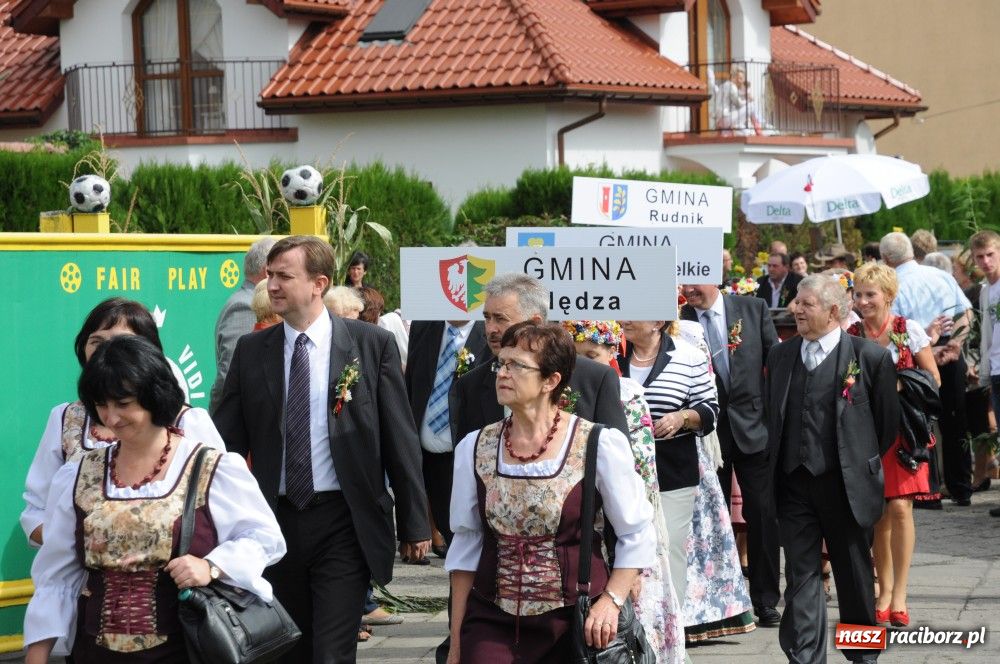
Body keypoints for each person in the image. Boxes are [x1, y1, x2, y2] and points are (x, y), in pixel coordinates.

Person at [213, 235, 430, 662]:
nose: (272, 285)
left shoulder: (370, 345)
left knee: (331, 653)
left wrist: (415, 522)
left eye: (284, 276)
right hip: (274, 521)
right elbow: (227, 443)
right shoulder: (252, 351)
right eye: (270, 276)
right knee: (288, 647)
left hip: (344, 520)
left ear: (319, 283)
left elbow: (398, 437)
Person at [24, 335, 285, 663]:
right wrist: (37, 655)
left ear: (155, 396)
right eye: (102, 405)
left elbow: (264, 538)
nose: (112, 417)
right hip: (94, 654)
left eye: (123, 403)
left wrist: (212, 566)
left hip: (185, 650)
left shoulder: (209, 466)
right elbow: (56, 577)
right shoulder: (78, 475)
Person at [445, 322, 656, 663]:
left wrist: (611, 601)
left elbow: (636, 531)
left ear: (551, 381)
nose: (503, 373)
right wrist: (456, 643)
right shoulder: (475, 447)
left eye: (518, 366)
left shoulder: (596, 444)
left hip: (574, 621)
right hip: (492, 617)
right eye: (502, 362)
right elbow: (466, 547)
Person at [765, 274, 899, 664]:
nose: (796, 309)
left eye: (806, 304)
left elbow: (885, 426)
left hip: (846, 487)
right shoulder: (781, 355)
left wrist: (856, 462)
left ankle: (862, 658)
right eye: (796, 302)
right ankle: (805, 657)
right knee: (801, 577)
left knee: (855, 577)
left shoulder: (869, 358)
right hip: (794, 485)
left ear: (834, 311)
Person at [21, 297, 225, 548]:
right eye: (96, 341)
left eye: (121, 341)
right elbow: (36, 511)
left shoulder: (188, 421)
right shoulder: (65, 419)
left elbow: (225, 514)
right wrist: (80, 547)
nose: (105, 351)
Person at [563, 320, 686, 663]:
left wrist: (629, 561)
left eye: (592, 355)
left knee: (634, 624)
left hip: (624, 521)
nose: (584, 363)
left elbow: (642, 473)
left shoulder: (627, 393)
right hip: (583, 522)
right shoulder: (567, 391)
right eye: (577, 356)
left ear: (611, 353)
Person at [680, 283, 782, 627]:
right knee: (713, 519)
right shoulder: (677, 317)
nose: (687, 288)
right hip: (706, 433)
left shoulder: (753, 309)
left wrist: (772, 418)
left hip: (754, 429)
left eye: (694, 279)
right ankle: (722, 604)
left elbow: (776, 365)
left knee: (764, 515)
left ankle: (766, 599)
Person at [847, 263, 941, 627]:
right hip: (866, 433)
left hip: (903, 433)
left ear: (888, 295)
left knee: (900, 510)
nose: (863, 300)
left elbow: (933, 380)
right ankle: (883, 591)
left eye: (870, 294)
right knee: (878, 516)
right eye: (858, 294)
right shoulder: (851, 335)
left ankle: (900, 593)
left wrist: (901, 385)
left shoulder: (908, 331)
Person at [618, 318, 719, 635]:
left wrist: (683, 417)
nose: (623, 320)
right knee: (624, 550)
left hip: (672, 470)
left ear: (657, 322)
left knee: (668, 550)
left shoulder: (688, 356)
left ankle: (669, 634)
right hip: (619, 472)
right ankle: (630, 634)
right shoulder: (609, 353)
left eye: (633, 314)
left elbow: (710, 409)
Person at [452, 273, 628, 444]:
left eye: (500, 319)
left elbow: (619, 461)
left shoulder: (594, 379)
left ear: (535, 322)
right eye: (487, 318)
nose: (491, 329)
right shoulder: (470, 386)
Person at [881, 232, 973, 508]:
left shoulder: (894, 285)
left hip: (916, 355)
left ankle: (927, 491)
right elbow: (965, 314)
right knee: (956, 421)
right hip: (949, 350)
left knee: (919, 422)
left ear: (886, 259)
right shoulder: (941, 276)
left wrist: (931, 350)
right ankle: (962, 487)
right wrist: (955, 343)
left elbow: (894, 331)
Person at [405, 319, 488, 551]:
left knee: (475, 542)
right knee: (451, 535)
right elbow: (412, 384)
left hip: (473, 458)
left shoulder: (491, 330)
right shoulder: (424, 327)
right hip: (430, 458)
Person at [210, 236, 276, 411]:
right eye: (280, 272)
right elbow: (229, 375)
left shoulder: (250, 301)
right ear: (267, 272)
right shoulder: (245, 306)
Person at [972, 230, 1000, 516]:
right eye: (980, 257)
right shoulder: (984, 290)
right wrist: (984, 371)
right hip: (995, 367)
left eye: (991, 254)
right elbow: (987, 335)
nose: (986, 261)